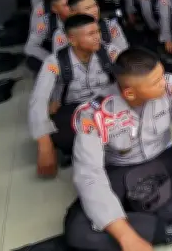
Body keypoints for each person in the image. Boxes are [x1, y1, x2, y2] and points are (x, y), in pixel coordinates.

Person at [64, 48, 172, 251]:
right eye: (156, 82)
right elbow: (89, 174)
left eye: (162, 75)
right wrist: (126, 237)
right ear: (130, 93)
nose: (164, 83)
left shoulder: (170, 86)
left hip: (164, 158)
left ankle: (140, 219)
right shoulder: (93, 114)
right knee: (78, 230)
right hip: (122, 170)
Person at [28, 14, 122, 178]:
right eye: (90, 34)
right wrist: (44, 145)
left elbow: (132, 77)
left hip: (107, 105)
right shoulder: (54, 62)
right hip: (75, 109)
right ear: (72, 40)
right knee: (60, 133)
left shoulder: (111, 52)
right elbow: (38, 100)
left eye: (98, 32)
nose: (98, 37)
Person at [51, 0, 129, 52]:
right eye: (88, 8)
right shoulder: (62, 33)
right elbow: (60, 59)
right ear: (74, 13)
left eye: (95, 5)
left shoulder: (110, 25)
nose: (95, 10)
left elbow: (123, 50)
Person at [25, 0, 72, 73]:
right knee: (33, 61)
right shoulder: (44, 22)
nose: (71, 8)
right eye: (65, 5)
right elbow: (30, 47)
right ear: (54, 8)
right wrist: (52, 60)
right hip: (55, 52)